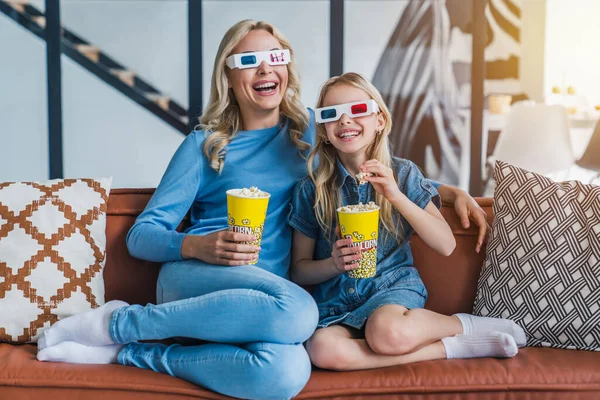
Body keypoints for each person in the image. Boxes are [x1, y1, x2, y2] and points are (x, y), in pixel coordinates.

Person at [36, 20, 490, 400]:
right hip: (198, 281)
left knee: (287, 372)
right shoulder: (204, 146)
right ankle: (122, 322)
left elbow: (376, 163)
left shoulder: (316, 130)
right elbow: (141, 236)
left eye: (275, 57)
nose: (264, 69)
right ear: (229, 77)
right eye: (247, 61)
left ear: (288, 69)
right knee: (300, 314)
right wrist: (198, 244)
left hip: (268, 300)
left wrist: (449, 194)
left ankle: (129, 353)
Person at [288, 72, 526, 371]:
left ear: (380, 121)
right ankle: (452, 347)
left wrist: (396, 196)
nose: (345, 121)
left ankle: (460, 325)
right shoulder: (310, 190)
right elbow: (299, 271)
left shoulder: (403, 175)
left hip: (391, 292)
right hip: (336, 304)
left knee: (386, 333)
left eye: (358, 110)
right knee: (322, 350)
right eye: (331, 114)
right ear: (322, 130)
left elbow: (446, 244)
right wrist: (333, 264)